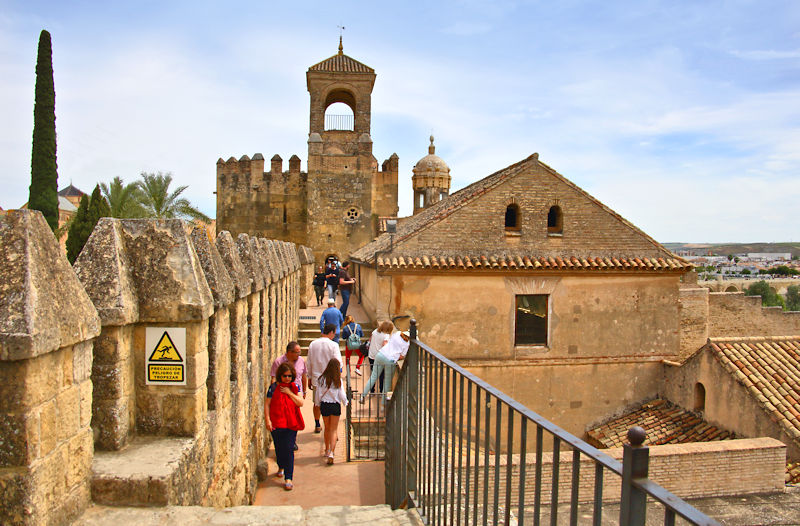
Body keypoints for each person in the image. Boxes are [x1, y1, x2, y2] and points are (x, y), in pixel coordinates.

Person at [265, 362, 304, 491]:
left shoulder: (295, 387)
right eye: (284, 376)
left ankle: (288, 477)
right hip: (277, 423)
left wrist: (289, 393)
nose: (287, 378)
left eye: (289, 376)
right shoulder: (273, 388)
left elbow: (300, 402)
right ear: (280, 376)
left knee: (288, 449)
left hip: (290, 423)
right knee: (279, 448)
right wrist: (268, 420)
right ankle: (281, 466)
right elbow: (267, 404)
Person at [306, 323, 343, 434]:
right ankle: (331, 428)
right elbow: (338, 363)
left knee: (317, 402)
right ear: (331, 332)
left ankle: (317, 424)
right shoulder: (334, 345)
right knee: (331, 401)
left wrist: (309, 377)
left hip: (317, 378)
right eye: (334, 333)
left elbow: (309, 362)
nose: (334, 335)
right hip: (330, 379)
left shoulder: (313, 344)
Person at [360, 330, 410, 402]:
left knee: (373, 377)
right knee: (387, 382)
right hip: (390, 360)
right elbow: (402, 356)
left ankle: (363, 396)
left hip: (381, 354)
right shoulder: (407, 343)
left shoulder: (397, 333)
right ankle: (383, 403)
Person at [316, 358, 348, 465]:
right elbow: (341, 394)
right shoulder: (338, 380)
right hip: (335, 405)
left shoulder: (321, 379)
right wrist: (346, 402)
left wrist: (317, 403)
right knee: (334, 430)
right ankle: (332, 453)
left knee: (327, 428)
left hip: (325, 405)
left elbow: (318, 394)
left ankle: (326, 450)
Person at [366, 320, 393, 389]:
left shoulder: (375, 331)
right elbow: (385, 346)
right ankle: (381, 390)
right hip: (379, 356)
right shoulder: (386, 336)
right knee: (382, 374)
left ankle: (372, 389)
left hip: (371, 355)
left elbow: (370, 340)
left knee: (373, 374)